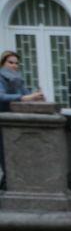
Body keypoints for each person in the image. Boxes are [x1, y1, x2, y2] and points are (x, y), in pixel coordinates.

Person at [1, 47, 47, 187]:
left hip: (14, 121)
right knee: (4, 153)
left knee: (11, 153)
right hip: (3, 119)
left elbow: (26, 94)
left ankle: (10, 181)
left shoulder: (17, 79)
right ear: (2, 63)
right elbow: (1, 96)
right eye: (11, 62)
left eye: (16, 63)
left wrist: (37, 97)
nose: (15, 65)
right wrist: (24, 97)